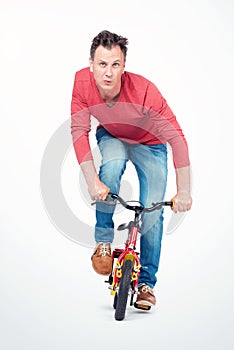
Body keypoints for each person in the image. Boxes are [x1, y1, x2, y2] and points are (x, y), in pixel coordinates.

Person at [71, 30, 192, 307]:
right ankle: (103, 241)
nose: (108, 73)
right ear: (91, 63)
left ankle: (147, 283)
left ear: (124, 66)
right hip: (112, 135)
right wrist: (92, 181)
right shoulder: (81, 82)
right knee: (110, 170)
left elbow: (176, 137)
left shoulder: (145, 92)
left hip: (150, 144)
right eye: (102, 64)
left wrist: (184, 191)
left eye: (115, 64)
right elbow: (79, 131)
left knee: (153, 210)